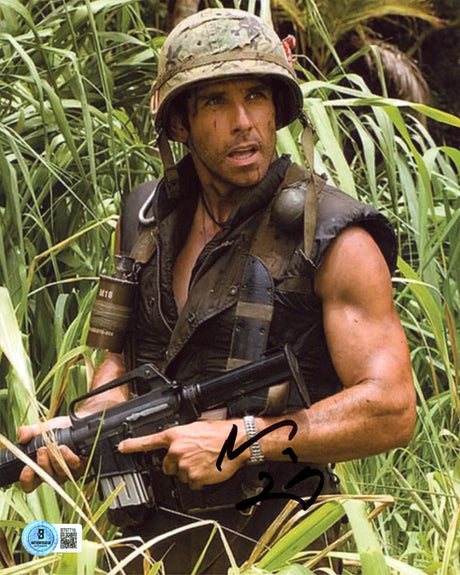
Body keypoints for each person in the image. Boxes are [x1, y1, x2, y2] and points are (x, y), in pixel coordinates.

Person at [16, 8, 416, 574]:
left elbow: (392, 408)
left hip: (280, 538)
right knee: (35, 547)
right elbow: (117, 362)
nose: (243, 122)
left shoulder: (334, 237)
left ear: (278, 106)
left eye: (256, 96)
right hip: (149, 534)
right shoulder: (145, 218)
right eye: (215, 102)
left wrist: (242, 440)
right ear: (178, 123)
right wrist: (88, 429)